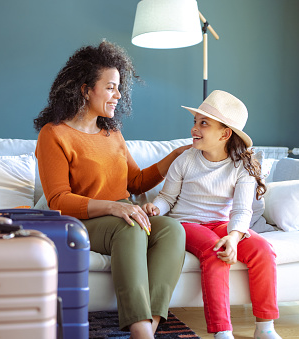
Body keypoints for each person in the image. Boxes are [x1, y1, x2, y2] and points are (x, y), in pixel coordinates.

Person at [34, 40, 188, 339]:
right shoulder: (54, 134)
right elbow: (58, 199)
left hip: (120, 215)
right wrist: (115, 207)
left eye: (119, 87)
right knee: (129, 226)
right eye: (110, 87)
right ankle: (141, 329)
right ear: (85, 89)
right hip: (81, 221)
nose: (118, 95)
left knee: (171, 229)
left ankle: (149, 325)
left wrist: (175, 156)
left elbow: (136, 182)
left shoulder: (111, 131)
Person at [142, 90, 281, 339]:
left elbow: (241, 210)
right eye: (195, 121)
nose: (195, 127)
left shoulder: (243, 166)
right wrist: (156, 208)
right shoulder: (185, 160)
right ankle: (222, 331)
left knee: (264, 250)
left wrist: (235, 236)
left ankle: (265, 327)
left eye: (203, 123)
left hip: (222, 223)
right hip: (185, 222)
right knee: (215, 251)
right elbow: (167, 198)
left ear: (225, 134)